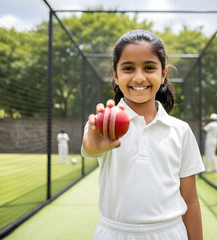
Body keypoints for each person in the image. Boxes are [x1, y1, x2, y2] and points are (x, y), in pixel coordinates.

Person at [81, 30, 204, 240]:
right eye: (128, 68)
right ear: (116, 76)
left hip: (171, 233)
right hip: (113, 233)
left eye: (149, 67)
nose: (139, 77)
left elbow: (190, 200)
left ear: (163, 74)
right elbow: (90, 147)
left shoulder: (180, 130)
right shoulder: (101, 125)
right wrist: (95, 145)